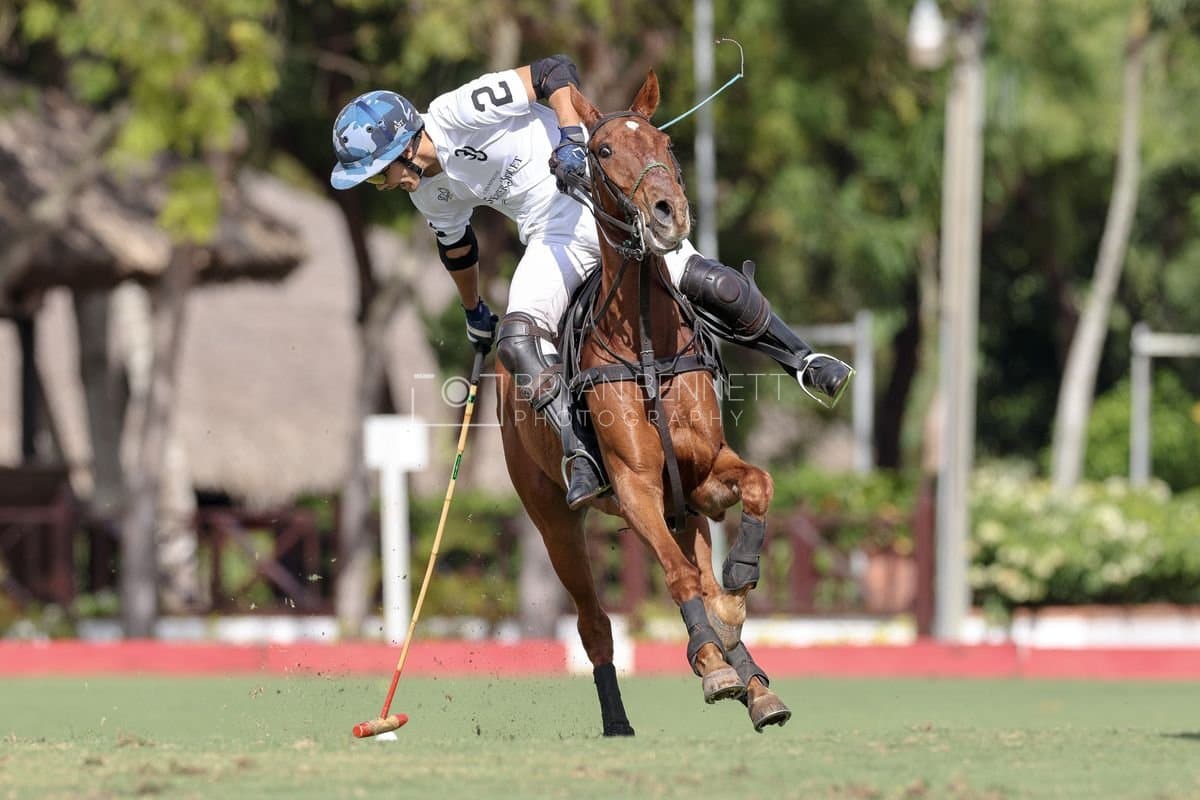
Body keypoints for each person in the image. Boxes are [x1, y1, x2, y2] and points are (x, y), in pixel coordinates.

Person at [330, 54, 851, 510]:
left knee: (712, 284)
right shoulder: (426, 192)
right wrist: (473, 312)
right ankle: (581, 454)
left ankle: (803, 360)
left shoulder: (459, 110)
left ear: (401, 144)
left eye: (377, 172)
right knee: (517, 342)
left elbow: (553, 70)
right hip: (548, 235)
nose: (381, 184)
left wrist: (572, 138)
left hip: (604, 207)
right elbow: (457, 246)